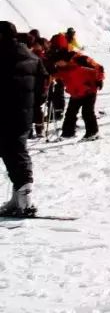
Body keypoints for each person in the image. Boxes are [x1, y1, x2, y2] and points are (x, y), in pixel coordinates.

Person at [0, 21, 47, 217]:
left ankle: (25, 201)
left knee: (14, 154)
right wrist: (33, 106)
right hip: (23, 115)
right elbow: (43, 86)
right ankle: (17, 200)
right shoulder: (33, 57)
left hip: (3, 113)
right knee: (15, 152)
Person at [54, 48, 105, 139]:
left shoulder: (81, 60)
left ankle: (93, 133)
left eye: (58, 62)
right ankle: (68, 133)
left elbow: (99, 68)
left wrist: (99, 80)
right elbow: (56, 76)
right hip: (75, 92)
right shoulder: (60, 68)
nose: (57, 64)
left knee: (87, 112)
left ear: (63, 59)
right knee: (70, 113)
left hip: (89, 90)